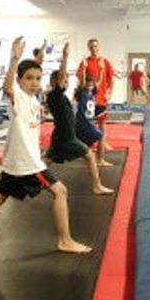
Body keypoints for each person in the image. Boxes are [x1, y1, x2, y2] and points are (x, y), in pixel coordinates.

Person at [0, 36, 90, 254]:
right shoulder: (17, 96)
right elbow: (8, 87)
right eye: (29, 78)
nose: (35, 82)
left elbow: (42, 79)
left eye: (38, 78)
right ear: (20, 81)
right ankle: (64, 240)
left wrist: (41, 59)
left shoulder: (34, 99)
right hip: (27, 164)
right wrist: (13, 59)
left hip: (13, 163)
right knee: (60, 191)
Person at [43, 42, 113, 196]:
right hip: (67, 137)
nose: (66, 83)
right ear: (54, 83)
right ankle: (97, 186)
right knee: (89, 155)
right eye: (64, 81)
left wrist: (100, 71)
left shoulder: (59, 96)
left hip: (59, 136)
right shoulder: (54, 95)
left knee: (46, 161)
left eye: (67, 81)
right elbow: (61, 78)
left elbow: (96, 83)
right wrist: (65, 57)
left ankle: (29, 179)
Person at [77, 38, 115, 165]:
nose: (94, 48)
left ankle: (100, 159)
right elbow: (81, 81)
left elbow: (111, 79)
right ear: (89, 48)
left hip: (101, 100)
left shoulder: (105, 62)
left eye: (95, 46)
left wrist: (110, 93)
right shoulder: (85, 62)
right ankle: (88, 155)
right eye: (91, 46)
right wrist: (84, 68)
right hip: (90, 101)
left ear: (99, 47)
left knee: (102, 129)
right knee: (87, 128)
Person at [74, 72, 109, 168]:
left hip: (87, 123)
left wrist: (101, 70)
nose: (89, 85)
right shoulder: (82, 93)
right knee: (101, 136)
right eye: (87, 83)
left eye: (91, 84)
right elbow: (82, 83)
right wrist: (84, 70)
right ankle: (100, 160)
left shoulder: (92, 92)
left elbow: (98, 82)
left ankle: (84, 153)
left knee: (86, 143)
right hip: (83, 123)